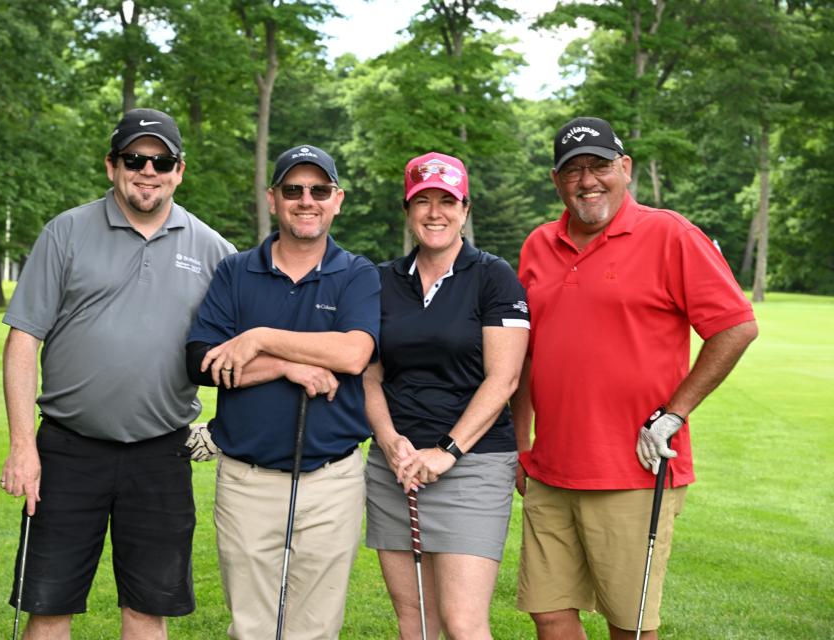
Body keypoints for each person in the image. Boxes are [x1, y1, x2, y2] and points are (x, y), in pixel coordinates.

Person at [511, 116, 758, 640]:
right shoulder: (537, 245)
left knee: (630, 624)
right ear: (557, 181)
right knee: (549, 611)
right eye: (572, 171)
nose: (587, 181)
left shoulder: (669, 233)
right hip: (551, 468)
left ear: (624, 169)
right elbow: (527, 355)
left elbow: (736, 327)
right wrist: (520, 443)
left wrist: (675, 413)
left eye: (599, 166)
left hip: (633, 468)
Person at [0, 108, 235, 640]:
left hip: (161, 453)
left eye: (162, 160)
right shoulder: (66, 232)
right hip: (66, 450)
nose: (147, 170)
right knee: (48, 602)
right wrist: (22, 446)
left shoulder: (214, 250)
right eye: (135, 158)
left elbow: (246, 347)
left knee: (147, 609)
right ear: (112, 165)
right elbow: (22, 340)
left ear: (179, 170)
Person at [185, 144, 380, 640]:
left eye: (319, 190)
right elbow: (204, 363)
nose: (306, 200)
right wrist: (286, 367)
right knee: (251, 628)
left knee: (314, 629)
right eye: (293, 189)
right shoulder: (235, 270)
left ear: (337, 200)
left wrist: (258, 339)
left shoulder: (357, 273)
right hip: (247, 481)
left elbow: (354, 353)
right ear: (273, 199)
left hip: (331, 482)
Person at [363, 152, 530, 639]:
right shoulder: (380, 281)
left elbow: (504, 379)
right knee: (415, 621)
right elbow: (369, 375)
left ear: (465, 209)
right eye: (423, 202)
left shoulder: (493, 276)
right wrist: (391, 441)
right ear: (408, 209)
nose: (434, 213)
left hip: (474, 464)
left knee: (461, 622)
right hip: (396, 466)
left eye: (446, 201)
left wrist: (448, 451)